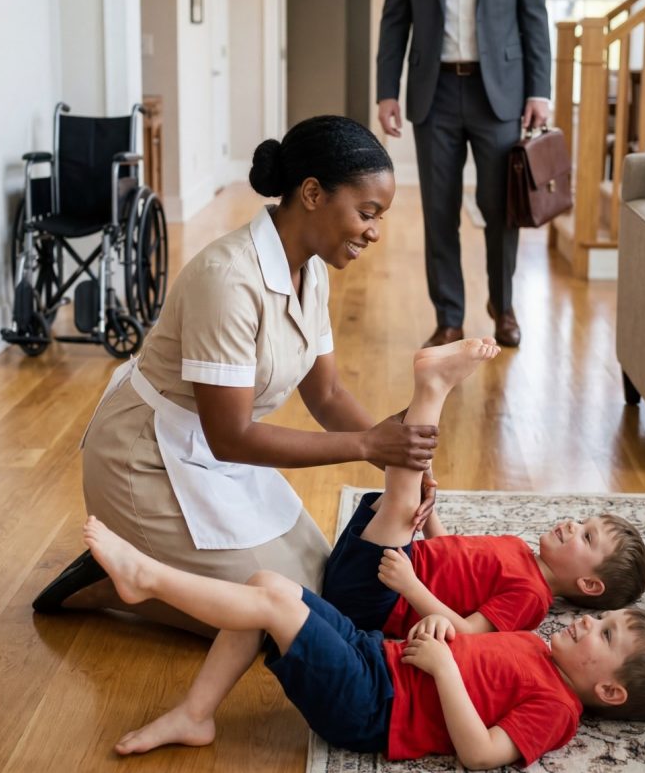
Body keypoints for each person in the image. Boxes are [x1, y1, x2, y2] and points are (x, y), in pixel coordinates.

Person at [32, 115, 440, 634]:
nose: (375, 232)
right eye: (366, 212)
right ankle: (112, 582)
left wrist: (396, 456)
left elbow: (329, 392)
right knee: (281, 625)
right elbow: (231, 436)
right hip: (146, 460)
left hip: (217, 451)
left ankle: (159, 569)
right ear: (312, 192)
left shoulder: (310, 269)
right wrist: (367, 446)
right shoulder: (227, 279)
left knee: (320, 589)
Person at [81, 515, 645, 768]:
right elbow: (465, 641)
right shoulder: (534, 643)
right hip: (380, 657)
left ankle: (147, 580)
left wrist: (445, 669)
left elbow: (480, 754)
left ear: (607, 687)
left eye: (603, 633)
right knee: (271, 586)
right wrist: (436, 628)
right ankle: (195, 714)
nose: (584, 622)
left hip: (376, 708)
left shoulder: (558, 711)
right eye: (600, 618)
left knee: (270, 604)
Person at [376, 0, 552, 349]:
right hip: (434, 94)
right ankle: (449, 315)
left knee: (501, 209)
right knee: (440, 211)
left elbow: (533, 17)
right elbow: (394, 19)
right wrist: (388, 90)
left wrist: (539, 90)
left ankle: (503, 305)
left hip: (498, 95)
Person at [323, 482, 645, 638]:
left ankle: (431, 394)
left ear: (589, 584)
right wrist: (430, 511)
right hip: (387, 566)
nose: (572, 524)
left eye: (586, 537)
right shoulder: (519, 548)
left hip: (380, 600)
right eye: (583, 522)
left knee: (403, 488)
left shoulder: (531, 599)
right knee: (404, 496)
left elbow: (467, 631)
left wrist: (410, 587)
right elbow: (448, 551)